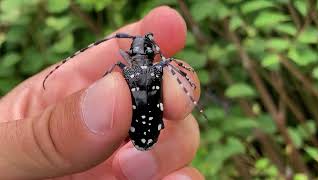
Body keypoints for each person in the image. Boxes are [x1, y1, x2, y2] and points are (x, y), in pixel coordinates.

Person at [0, 6, 204, 180]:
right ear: (151, 52)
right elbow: (169, 66)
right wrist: (183, 77)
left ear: (132, 53)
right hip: (148, 132)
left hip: (139, 133)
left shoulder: (127, 70)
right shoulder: (158, 68)